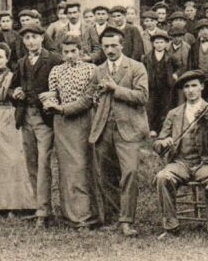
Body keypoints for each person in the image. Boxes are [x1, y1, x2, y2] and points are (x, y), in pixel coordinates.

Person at [86, 28, 149, 236]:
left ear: (122, 45)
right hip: (104, 129)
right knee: (106, 175)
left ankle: (127, 221)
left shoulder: (136, 67)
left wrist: (115, 89)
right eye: (106, 46)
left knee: (129, 172)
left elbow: (143, 97)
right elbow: (91, 96)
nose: (110, 50)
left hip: (128, 129)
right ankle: (112, 217)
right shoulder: (98, 70)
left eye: (114, 45)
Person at [154, 69, 208, 237]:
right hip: (180, 163)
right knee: (162, 177)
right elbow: (159, 142)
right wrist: (163, 142)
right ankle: (171, 226)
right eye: (186, 87)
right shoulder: (174, 114)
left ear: (202, 87)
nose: (190, 90)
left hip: (207, 162)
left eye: (194, 86)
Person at [43, 34, 98, 228]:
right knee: (68, 169)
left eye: (73, 51)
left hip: (85, 121)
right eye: (66, 52)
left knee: (84, 166)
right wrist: (50, 103)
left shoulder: (91, 69)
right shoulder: (56, 71)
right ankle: (73, 215)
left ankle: (89, 214)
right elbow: (53, 95)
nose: (70, 55)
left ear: (81, 51)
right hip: (63, 122)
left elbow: (92, 98)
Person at [10, 25, 63, 227]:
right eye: (27, 38)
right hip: (26, 118)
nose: (30, 41)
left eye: (34, 37)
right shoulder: (22, 62)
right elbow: (11, 88)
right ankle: (42, 207)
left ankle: (42, 210)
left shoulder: (54, 59)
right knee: (31, 162)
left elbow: (63, 86)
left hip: (45, 118)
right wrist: (16, 93)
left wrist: (53, 95)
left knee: (43, 163)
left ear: (42, 38)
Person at [0, 43, 35, 213]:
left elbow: (17, 93)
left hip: (10, 118)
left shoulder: (13, 76)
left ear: (7, 58)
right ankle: (2, 204)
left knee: (14, 160)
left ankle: (22, 203)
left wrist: (15, 94)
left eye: (0, 57)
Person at [143, 31, 181, 136]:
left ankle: (163, 130)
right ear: (153, 44)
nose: (159, 45)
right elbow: (143, 69)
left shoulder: (171, 57)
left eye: (161, 42)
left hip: (166, 86)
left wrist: (175, 74)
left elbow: (180, 67)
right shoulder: (147, 57)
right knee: (151, 107)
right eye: (156, 42)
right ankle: (152, 129)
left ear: (166, 44)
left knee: (165, 107)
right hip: (152, 86)